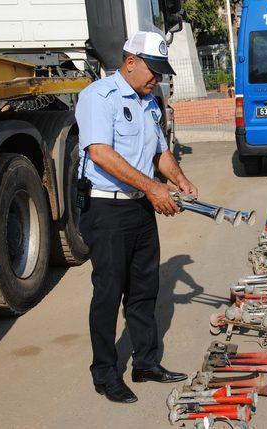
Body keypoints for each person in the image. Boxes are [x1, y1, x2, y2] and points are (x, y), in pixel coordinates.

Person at [76, 31, 198, 403]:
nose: (156, 79)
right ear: (130, 62)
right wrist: (152, 188)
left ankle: (146, 363)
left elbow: (160, 151)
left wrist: (179, 179)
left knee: (144, 290)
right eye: (152, 71)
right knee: (109, 292)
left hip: (140, 208)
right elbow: (100, 153)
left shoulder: (149, 101)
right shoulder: (99, 97)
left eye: (161, 73)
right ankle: (105, 372)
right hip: (107, 209)